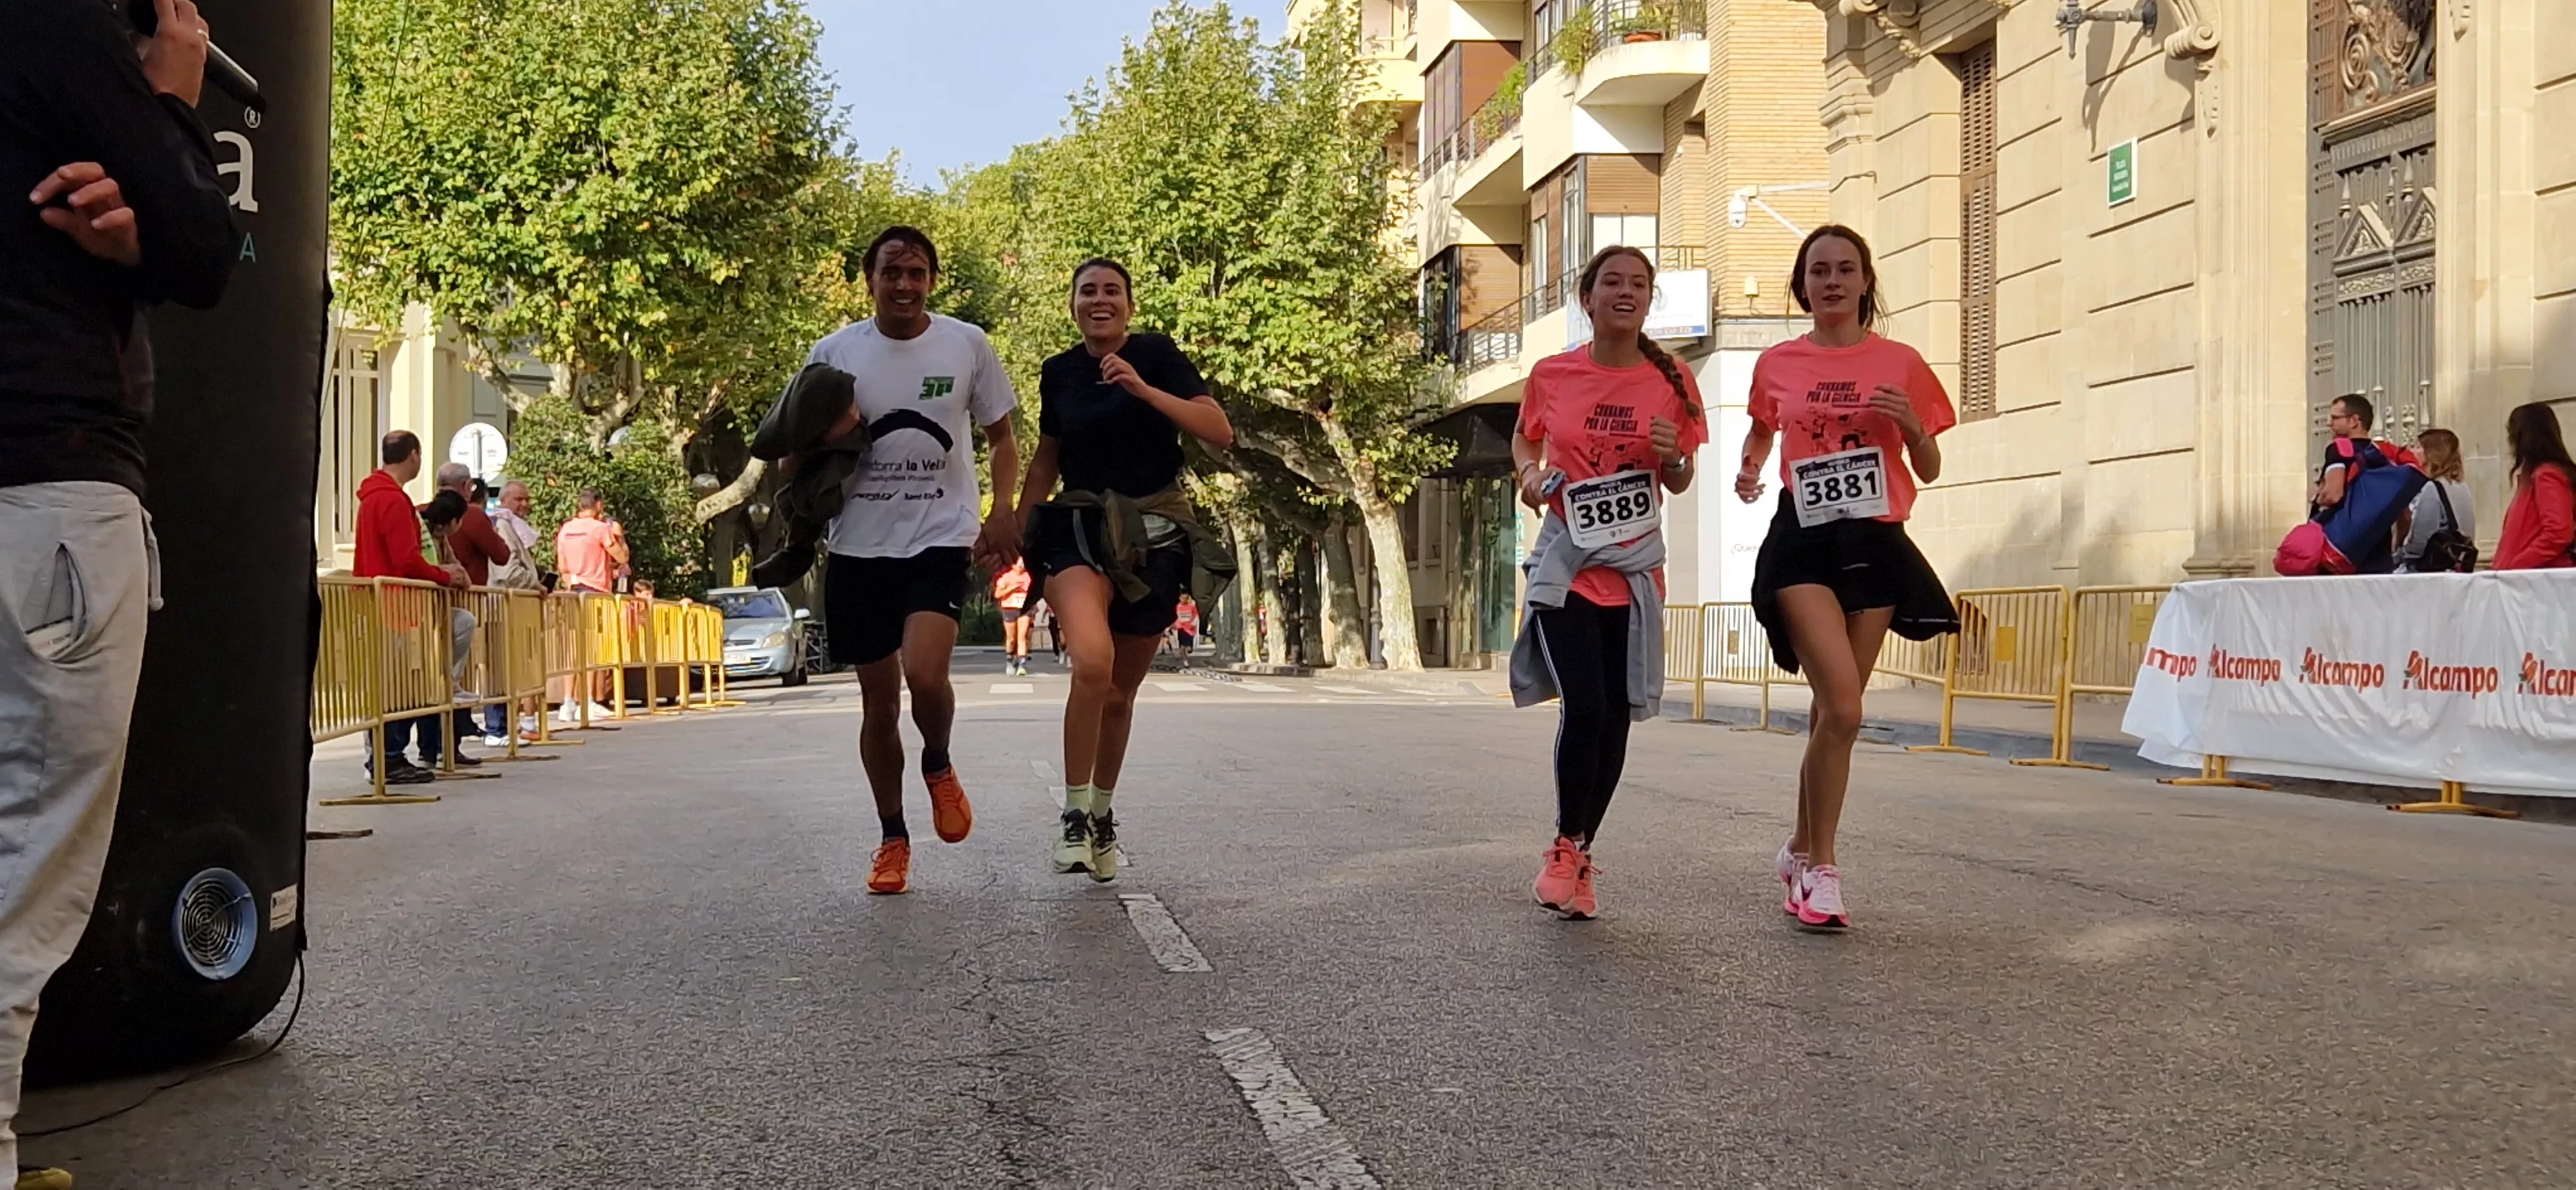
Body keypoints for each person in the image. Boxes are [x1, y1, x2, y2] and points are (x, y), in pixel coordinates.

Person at [2, 1, 236, 1184]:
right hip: (46, 487)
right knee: (27, 859)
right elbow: (207, 249)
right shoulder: (54, 25)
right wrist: (172, 101)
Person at [1737, 225, 1960, 933]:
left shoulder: (1900, 363)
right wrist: (1749, 469)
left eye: (1844, 270)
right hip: (1803, 541)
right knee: (1845, 706)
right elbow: (1763, 429)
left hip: (1876, 540)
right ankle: (1822, 868)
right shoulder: (1776, 363)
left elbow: (1927, 469)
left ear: (1866, 282)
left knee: (1835, 714)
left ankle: (1800, 849)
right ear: (1802, 286)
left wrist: (1911, 428)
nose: (1831, 282)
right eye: (1818, 271)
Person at [807, 226, 1021, 896]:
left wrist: (1004, 510)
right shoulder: (834, 354)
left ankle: (938, 762)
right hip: (858, 543)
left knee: (926, 674)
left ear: (932, 279)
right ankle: (892, 838)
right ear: (867, 279)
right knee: (878, 703)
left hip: (940, 533)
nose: (904, 284)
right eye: (891, 272)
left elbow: (1003, 436)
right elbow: (795, 447)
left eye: (917, 272)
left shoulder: (965, 344)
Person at [1015, 257, 1234, 883]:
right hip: (1078, 528)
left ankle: (1103, 815)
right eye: (1088, 291)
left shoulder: (1157, 354)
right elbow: (1045, 461)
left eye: (1112, 290)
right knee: (1091, 660)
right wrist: (1012, 526)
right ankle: (1074, 816)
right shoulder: (1057, 372)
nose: (1100, 299)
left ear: (1129, 306)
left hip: (1155, 535)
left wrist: (1143, 389)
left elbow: (1220, 431)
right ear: (1073, 306)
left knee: (1119, 693)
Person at [1504, 246, 1707, 921]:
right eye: (1611, 282)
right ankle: (1564, 846)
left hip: (1632, 571)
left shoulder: (1672, 378)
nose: (1626, 292)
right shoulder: (1553, 374)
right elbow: (1523, 441)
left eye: (1639, 284)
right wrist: (1530, 476)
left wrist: (1672, 456)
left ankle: (1579, 849)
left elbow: (1678, 479)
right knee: (1584, 705)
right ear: (1586, 299)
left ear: (1650, 301)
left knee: (1616, 715)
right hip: (1566, 563)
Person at [356, 433, 477, 780]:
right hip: (399, 603)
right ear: (413, 455)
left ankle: (387, 758)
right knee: (401, 685)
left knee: (395, 683)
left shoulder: (375, 497)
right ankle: (389, 758)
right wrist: (442, 576)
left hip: (388, 600)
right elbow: (405, 558)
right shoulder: (393, 500)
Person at [554, 490, 626, 721]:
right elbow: (622, 557)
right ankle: (588, 701)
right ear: (599, 505)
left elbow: (562, 565)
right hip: (596, 590)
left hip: (573, 589)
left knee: (574, 649)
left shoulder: (566, 529)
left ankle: (568, 703)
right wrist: (620, 537)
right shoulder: (600, 528)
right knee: (593, 649)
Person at [485, 480, 545, 742]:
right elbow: (508, 570)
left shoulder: (514, 527)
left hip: (514, 609)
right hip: (501, 607)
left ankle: (506, 726)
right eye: (518, 500)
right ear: (504, 500)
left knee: (511, 669)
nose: (524, 505)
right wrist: (535, 584)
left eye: (526, 499)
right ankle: (496, 728)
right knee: (499, 668)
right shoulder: (502, 526)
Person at [2495, 402, 2576, 571]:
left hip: (2533, 580)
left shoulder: (2547, 475)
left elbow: (2558, 534)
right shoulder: (2536, 476)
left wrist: (2515, 564)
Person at [2393, 428, 2476, 572]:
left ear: (2432, 452)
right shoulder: (2462, 486)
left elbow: (2420, 540)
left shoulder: (2432, 488)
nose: (2412, 451)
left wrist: (2399, 555)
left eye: (2418, 447)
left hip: (2430, 571)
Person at [993, 559, 1034, 677]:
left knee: (1022, 637)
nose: (1021, 566)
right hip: (1009, 608)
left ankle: (1022, 665)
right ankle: (1010, 660)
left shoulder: (1028, 577)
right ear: (1012, 564)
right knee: (1011, 638)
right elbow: (997, 594)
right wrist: (1012, 588)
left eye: (1023, 563)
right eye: (1019, 563)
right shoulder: (1006, 577)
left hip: (1024, 608)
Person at [1171, 594, 1199, 659]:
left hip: (1189, 628)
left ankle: (1189, 648)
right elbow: (1176, 616)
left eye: (1183, 598)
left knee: (1188, 648)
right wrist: (1174, 624)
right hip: (1181, 628)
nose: (1181, 600)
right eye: (1181, 598)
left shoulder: (1192, 606)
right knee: (1182, 646)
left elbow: (1196, 616)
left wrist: (1193, 624)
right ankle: (1185, 661)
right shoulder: (1178, 606)